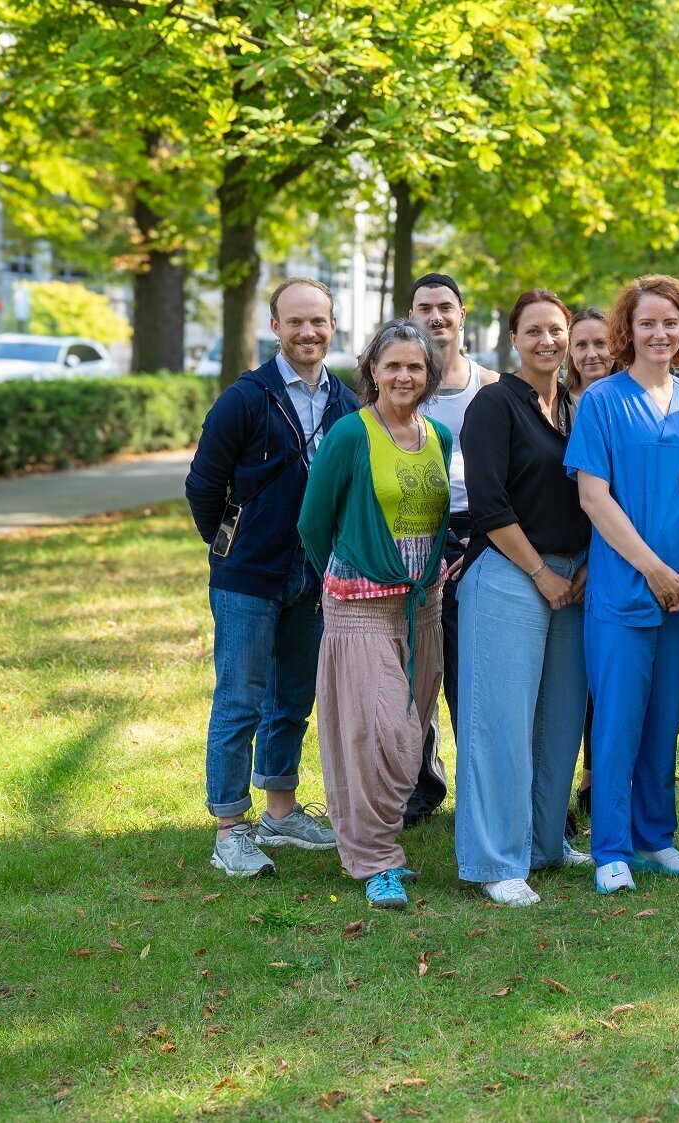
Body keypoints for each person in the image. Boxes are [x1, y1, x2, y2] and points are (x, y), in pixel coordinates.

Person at [186, 277, 354, 878]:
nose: (308, 332)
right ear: (276, 327)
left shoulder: (345, 402)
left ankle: (280, 813)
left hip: (314, 575)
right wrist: (235, 544)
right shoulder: (244, 399)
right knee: (240, 702)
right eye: (295, 322)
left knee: (292, 700)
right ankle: (231, 829)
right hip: (248, 578)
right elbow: (203, 486)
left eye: (318, 321)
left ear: (332, 325)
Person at [566, 275, 679, 894]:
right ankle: (610, 848)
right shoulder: (602, 402)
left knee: (666, 717)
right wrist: (652, 568)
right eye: (648, 323)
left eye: (671, 323)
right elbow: (593, 497)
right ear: (627, 331)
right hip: (625, 588)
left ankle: (655, 837)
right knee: (617, 720)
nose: (660, 333)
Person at [296, 319, 451, 909]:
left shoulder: (439, 436)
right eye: (393, 366)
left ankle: (381, 839)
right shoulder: (349, 434)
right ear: (373, 372)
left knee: (412, 734)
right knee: (377, 733)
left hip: (423, 605)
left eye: (415, 366)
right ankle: (374, 859)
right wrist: (349, 572)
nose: (404, 376)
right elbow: (314, 521)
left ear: (429, 374)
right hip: (359, 608)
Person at [451, 289, 594, 908]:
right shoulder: (494, 403)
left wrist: (584, 565)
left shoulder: (577, 407)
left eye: (556, 330)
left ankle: (543, 844)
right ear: (514, 339)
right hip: (510, 574)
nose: (547, 341)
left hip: (573, 578)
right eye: (533, 330)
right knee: (501, 724)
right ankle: (495, 861)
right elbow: (488, 503)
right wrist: (540, 572)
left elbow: (594, 494)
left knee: (559, 723)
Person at [403, 273, 497, 826]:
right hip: (413, 532)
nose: (436, 316)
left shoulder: (490, 385)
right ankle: (419, 783)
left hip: (475, 533)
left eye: (445, 307)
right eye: (425, 308)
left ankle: (481, 790)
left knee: (470, 669)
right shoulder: (400, 381)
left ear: (462, 314)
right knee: (414, 666)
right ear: (411, 316)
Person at [563, 305, 611, 828]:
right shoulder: (555, 403)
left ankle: (594, 777)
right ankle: (554, 782)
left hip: (609, 552)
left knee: (601, 676)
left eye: (601, 343)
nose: (593, 353)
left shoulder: (623, 400)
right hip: (560, 552)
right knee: (564, 676)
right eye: (582, 345)